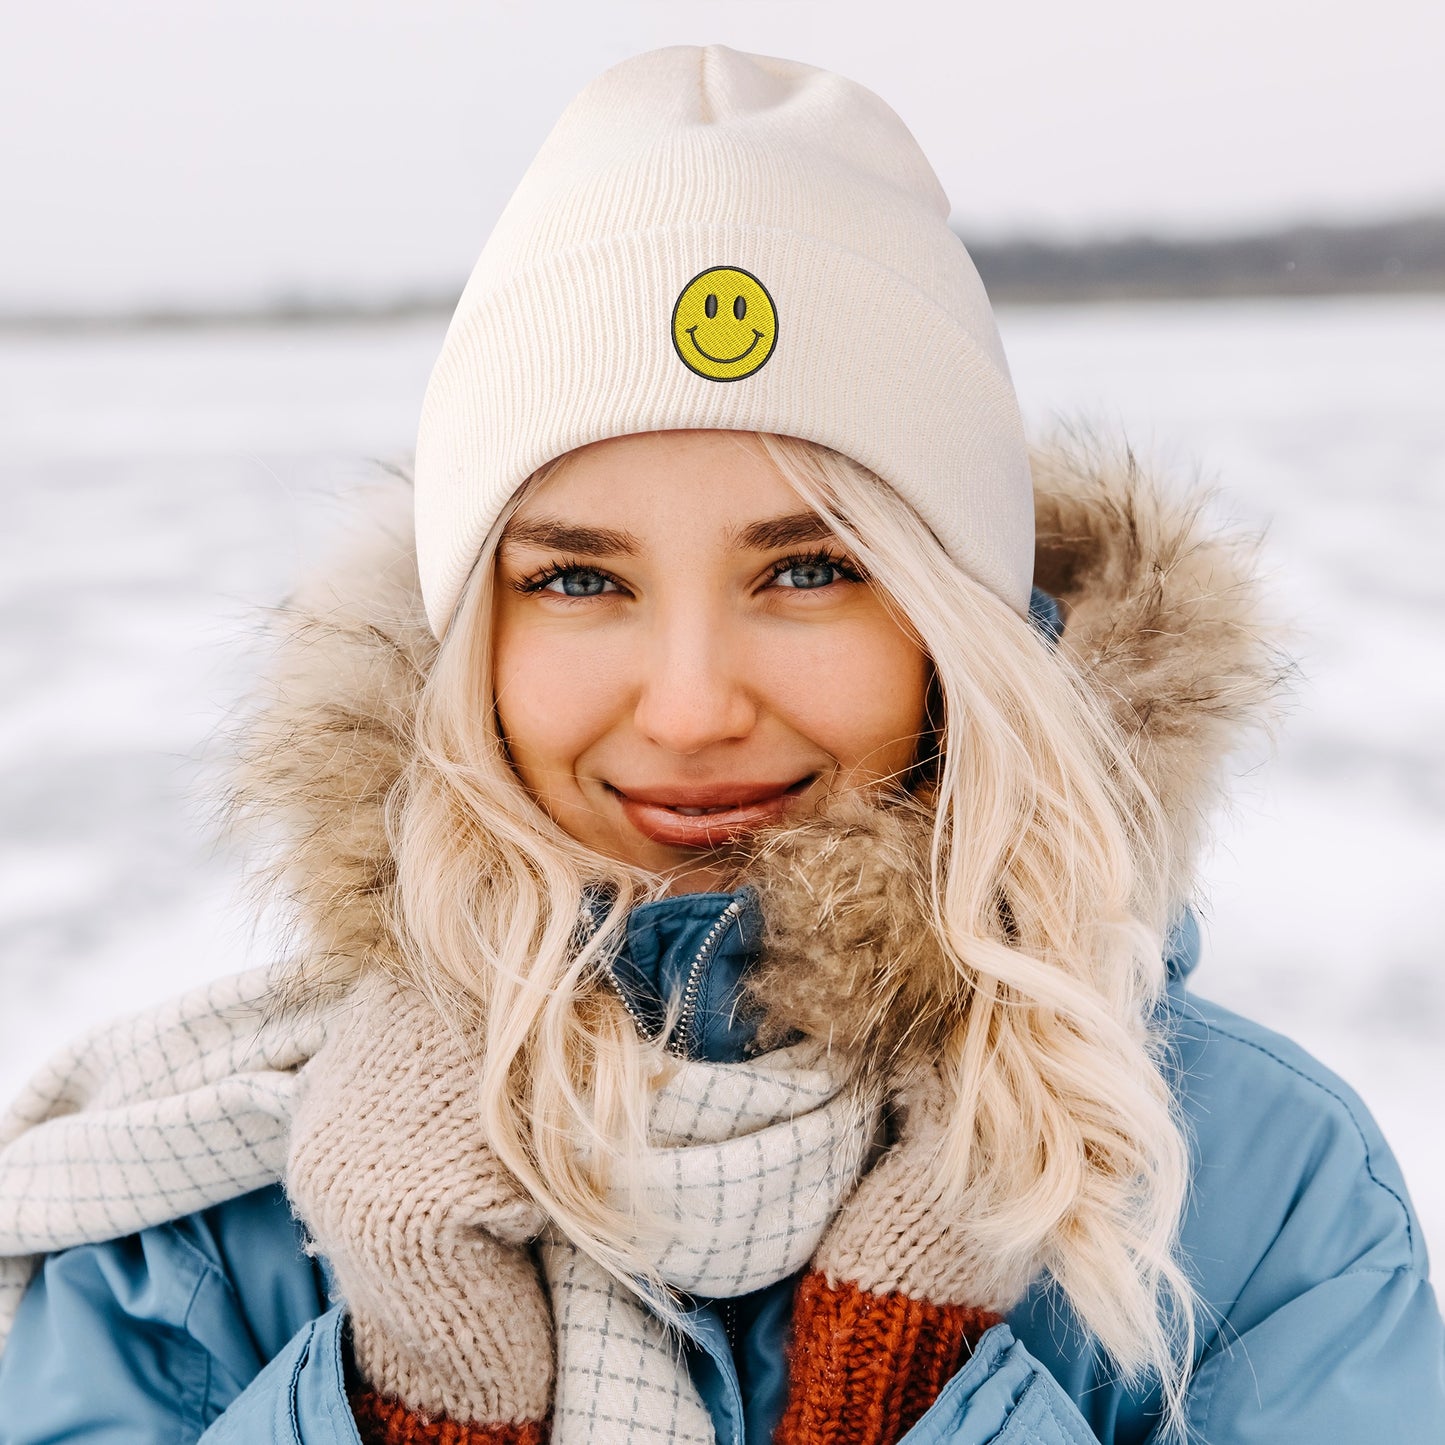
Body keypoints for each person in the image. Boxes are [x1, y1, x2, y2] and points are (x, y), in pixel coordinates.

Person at [0, 43, 1440, 1445]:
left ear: (957, 626)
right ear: (465, 646)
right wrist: (410, 1406)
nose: (689, 708)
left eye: (807, 569)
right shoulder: (203, 1223)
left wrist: (908, 1385)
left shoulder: (1246, 1199)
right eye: (576, 579)